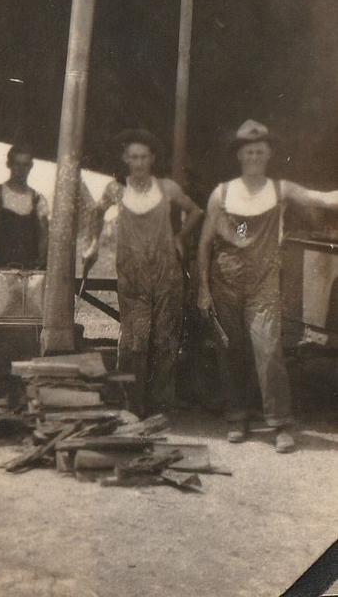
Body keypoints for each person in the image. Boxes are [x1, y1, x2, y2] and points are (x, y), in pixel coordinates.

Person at [198, 120, 338, 453]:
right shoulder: (223, 193)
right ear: (239, 155)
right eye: (249, 151)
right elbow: (205, 244)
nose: (255, 157)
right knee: (232, 350)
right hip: (225, 283)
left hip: (264, 285)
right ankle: (237, 417)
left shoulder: (280, 190)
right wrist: (203, 289)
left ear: (268, 154)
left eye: (260, 151)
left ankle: (279, 423)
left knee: (268, 350)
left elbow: (323, 200)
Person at [83, 129, 202, 418]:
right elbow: (96, 213)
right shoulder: (116, 190)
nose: (138, 162)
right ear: (125, 159)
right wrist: (94, 244)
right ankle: (132, 407)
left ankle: (160, 406)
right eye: (133, 157)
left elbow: (196, 211)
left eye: (144, 157)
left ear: (152, 159)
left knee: (164, 340)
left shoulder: (167, 188)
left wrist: (179, 237)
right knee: (135, 341)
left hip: (167, 275)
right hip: (132, 277)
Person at [0, 144, 49, 269]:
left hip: (29, 272)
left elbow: (45, 234)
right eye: (17, 164)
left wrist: (41, 261)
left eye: (25, 165)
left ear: (31, 166)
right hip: (0, 270)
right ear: (9, 164)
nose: (21, 170)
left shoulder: (38, 199)